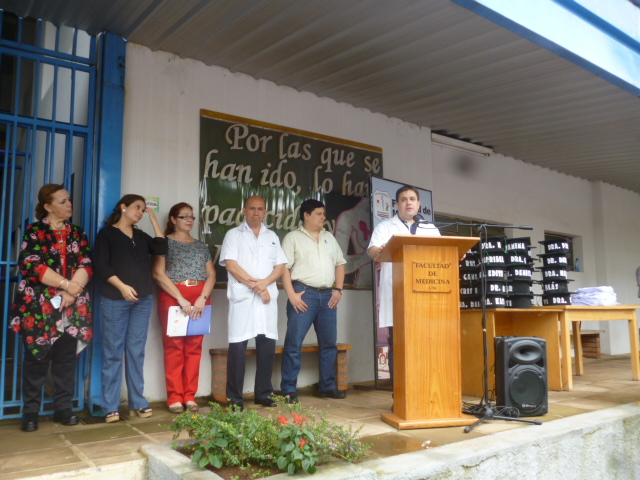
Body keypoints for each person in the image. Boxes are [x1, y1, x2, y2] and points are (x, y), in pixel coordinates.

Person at [9, 184, 93, 432]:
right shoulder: (34, 231)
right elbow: (32, 266)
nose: (69, 204)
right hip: (40, 306)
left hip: (71, 306)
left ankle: (63, 409)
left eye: (69, 200)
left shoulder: (77, 233)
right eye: (63, 201)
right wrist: (67, 286)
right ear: (47, 206)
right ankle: (30, 413)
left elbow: (86, 262)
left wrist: (70, 291)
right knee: (36, 359)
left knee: (66, 360)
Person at [94, 194, 167, 423]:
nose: (140, 212)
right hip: (116, 299)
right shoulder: (107, 234)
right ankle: (110, 406)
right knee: (113, 353)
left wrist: (153, 219)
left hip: (142, 300)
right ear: (123, 207)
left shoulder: (140, 235)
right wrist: (122, 287)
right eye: (137, 207)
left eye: (143, 209)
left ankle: (138, 402)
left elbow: (161, 246)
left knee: (136, 351)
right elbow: (101, 265)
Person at [219, 196, 287, 409]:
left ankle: (264, 394)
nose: (256, 213)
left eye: (260, 209)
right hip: (244, 298)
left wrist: (265, 283)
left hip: (266, 300)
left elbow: (280, 266)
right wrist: (256, 286)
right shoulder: (233, 234)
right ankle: (235, 399)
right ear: (244, 210)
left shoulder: (272, 236)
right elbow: (231, 265)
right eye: (252, 209)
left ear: (265, 212)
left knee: (267, 346)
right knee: (238, 347)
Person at [367, 185, 440, 385]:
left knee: (424, 344)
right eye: (404, 199)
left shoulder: (430, 229)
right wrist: (380, 250)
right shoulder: (385, 227)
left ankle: (424, 389)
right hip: (396, 294)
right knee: (398, 345)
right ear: (397, 204)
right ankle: (399, 393)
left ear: (418, 204)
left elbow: (443, 254)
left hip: (425, 294)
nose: (408, 202)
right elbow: (373, 252)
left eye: (412, 199)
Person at [280, 199, 347, 403]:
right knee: (294, 344)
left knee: (329, 345)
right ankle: (289, 390)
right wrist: (291, 294)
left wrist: (339, 289)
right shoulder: (292, 238)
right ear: (306, 215)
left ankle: (327, 386)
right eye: (319, 213)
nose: (323, 217)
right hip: (303, 294)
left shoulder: (329, 238)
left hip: (328, 296)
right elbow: (284, 267)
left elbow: (340, 264)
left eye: (323, 214)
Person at [153, 203, 215, 413]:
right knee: (174, 348)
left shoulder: (200, 246)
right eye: (183, 216)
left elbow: (212, 275)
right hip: (174, 297)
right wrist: (180, 298)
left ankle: (190, 395)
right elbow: (158, 274)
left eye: (191, 217)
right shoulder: (165, 243)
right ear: (173, 219)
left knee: (194, 348)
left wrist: (202, 298)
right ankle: (174, 397)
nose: (189, 220)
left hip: (200, 298)